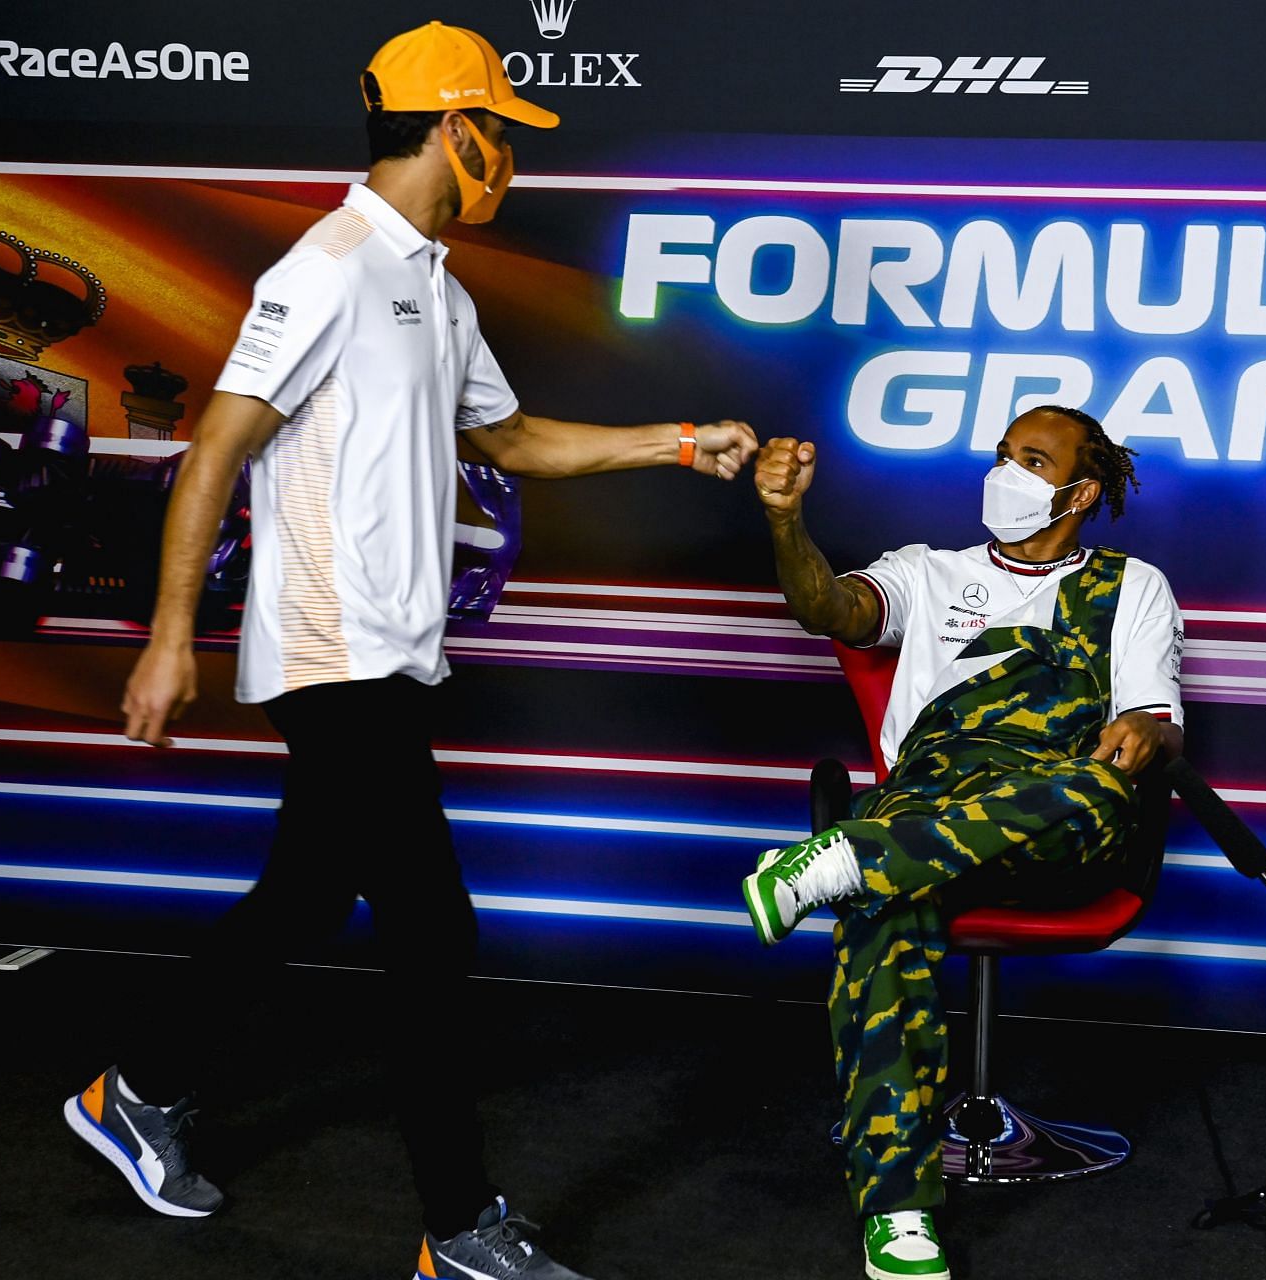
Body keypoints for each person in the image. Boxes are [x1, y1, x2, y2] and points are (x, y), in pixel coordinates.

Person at [60, 21, 757, 1280]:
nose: (510, 161)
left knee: (309, 893)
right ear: (455, 130)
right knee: (433, 928)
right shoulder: (324, 269)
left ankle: (137, 1091)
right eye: (502, 133)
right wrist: (172, 639)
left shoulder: (440, 286)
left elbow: (514, 437)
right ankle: (459, 1227)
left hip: (389, 646)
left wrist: (674, 440)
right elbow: (216, 445)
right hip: (329, 646)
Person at [742, 405, 1183, 1280]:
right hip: (929, 795)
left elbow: (1154, 723)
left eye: (1031, 458)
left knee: (1096, 784)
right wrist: (785, 522)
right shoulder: (926, 572)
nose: (1005, 471)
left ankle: (849, 861)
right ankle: (898, 1216)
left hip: (1053, 809)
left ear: (1080, 489)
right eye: (1001, 454)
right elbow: (826, 606)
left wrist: (1140, 729)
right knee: (880, 919)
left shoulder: (1133, 587)